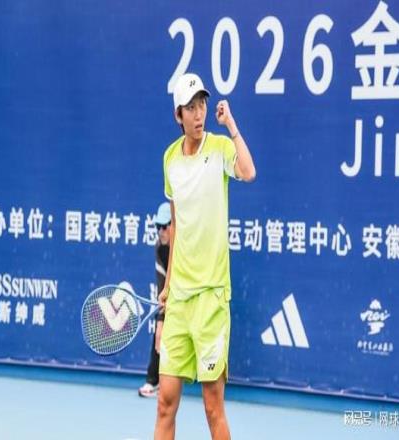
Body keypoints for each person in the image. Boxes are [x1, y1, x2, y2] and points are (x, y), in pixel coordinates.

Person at [154, 73, 256, 440]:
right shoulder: (170, 159)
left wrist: (232, 127)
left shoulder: (220, 147)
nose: (199, 114)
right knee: (165, 402)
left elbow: (248, 172)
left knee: (213, 407)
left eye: (202, 106)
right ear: (178, 115)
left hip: (211, 299)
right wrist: (168, 286)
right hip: (179, 301)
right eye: (190, 108)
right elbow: (177, 227)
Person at [138, 202, 171, 398]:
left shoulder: (186, 248)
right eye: (158, 226)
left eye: (165, 226)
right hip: (173, 298)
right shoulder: (159, 248)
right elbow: (162, 286)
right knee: (160, 331)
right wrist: (160, 322)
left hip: (195, 297)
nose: (161, 231)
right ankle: (153, 380)